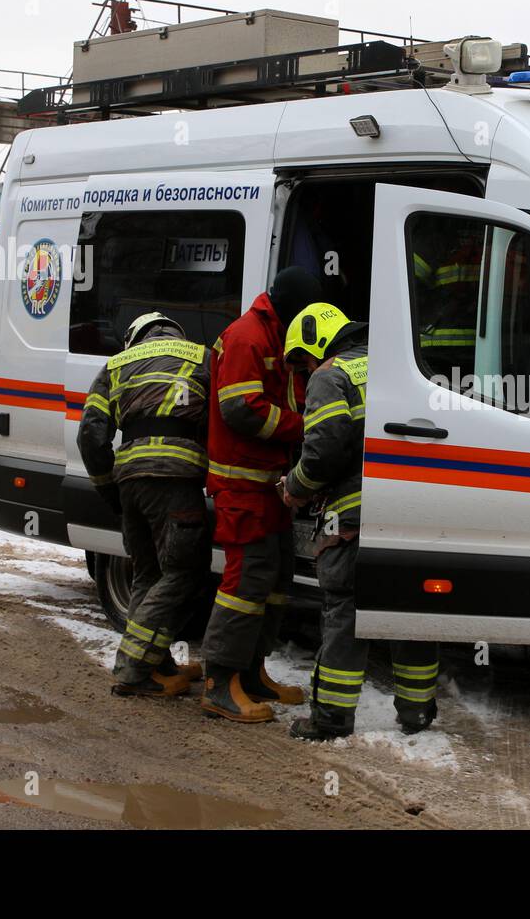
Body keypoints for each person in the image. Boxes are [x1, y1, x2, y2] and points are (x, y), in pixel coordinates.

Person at [279, 303, 439, 741]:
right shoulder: (400, 364)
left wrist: (295, 487)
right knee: (408, 611)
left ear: (317, 343)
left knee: (345, 613)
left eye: (303, 360)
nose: (306, 369)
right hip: (413, 511)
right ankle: (417, 712)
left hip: (353, 516)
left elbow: (325, 451)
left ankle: (331, 717)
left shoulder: (331, 377)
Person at [199, 267, 323, 723]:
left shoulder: (279, 337)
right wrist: (304, 428)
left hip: (270, 486)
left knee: (274, 584)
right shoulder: (248, 336)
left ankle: (251, 673)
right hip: (242, 484)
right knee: (244, 584)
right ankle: (218, 684)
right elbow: (240, 409)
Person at [76, 312, 211, 698]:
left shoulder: (116, 365)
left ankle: (156, 664)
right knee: (184, 574)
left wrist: (109, 489)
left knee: (147, 576)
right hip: (176, 479)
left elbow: (90, 434)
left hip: (130, 482)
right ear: (174, 331)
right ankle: (133, 668)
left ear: (135, 337)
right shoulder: (201, 357)